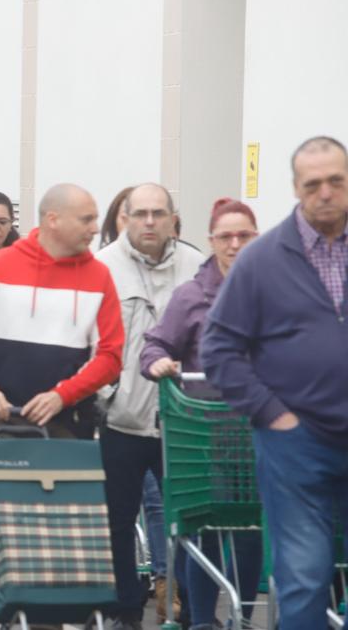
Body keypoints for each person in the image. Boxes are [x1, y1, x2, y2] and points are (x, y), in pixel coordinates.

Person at [202, 136, 348, 630]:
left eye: (336, 181)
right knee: (304, 573)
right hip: (296, 442)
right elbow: (219, 349)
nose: (325, 192)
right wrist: (273, 415)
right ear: (295, 188)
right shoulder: (263, 260)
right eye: (313, 184)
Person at [140, 198, 262, 630]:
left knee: (252, 534)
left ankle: (241, 617)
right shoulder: (192, 296)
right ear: (212, 242)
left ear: (256, 238)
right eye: (225, 237)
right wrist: (157, 363)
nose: (234, 244)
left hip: (259, 436)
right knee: (205, 530)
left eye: (243, 235)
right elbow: (155, 346)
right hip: (204, 435)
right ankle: (201, 621)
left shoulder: (275, 291)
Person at [95, 183, 204, 628]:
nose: (149, 221)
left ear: (173, 219)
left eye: (159, 213)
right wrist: (107, 396)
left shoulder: (199, 266)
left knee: (188, 522)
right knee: (117, 521)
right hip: (121, 418)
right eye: (140, 213)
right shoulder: (101, 268)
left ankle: (188, 607)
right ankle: (126, 609)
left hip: (182, 422)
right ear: (125, 217)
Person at [0, 183, 123, 436]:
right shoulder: (1, 265)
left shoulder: (100, 276)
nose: (95, 228)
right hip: (2, 419)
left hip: (70, 422)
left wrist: (62, 395)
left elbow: (110, 356)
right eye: (87, 220)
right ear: (53, 220)